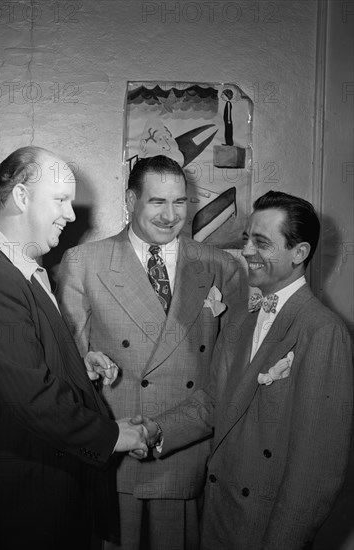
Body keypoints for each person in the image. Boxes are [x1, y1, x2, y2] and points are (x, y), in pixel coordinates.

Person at [0, 146, 148, 550]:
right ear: (21, 196)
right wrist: (112, 436)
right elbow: (32, 395)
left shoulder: (16, 267)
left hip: (30, 495)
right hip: (12, 507)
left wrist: (76, 363)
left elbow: (16, 362)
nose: (71, 215)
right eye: (60, 200)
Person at [146, 191, 353, 550]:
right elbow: (215, 402)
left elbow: (316, 472)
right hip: (218, 518)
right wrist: (154, 430)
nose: (245, 251)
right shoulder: (243, 317)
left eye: (262, 243)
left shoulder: (322, 331)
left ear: (299, 253)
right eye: (246, 239)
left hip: (265, 531)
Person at [56, 155, 244, 550]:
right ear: (130, 200)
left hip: (186, 456)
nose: (170, 215)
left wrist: (168, 431)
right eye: (157, 201)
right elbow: (68, 373)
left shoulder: (222, 267)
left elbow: (227, 377)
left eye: (180, 202)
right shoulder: (83, 263)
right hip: (112, 458)